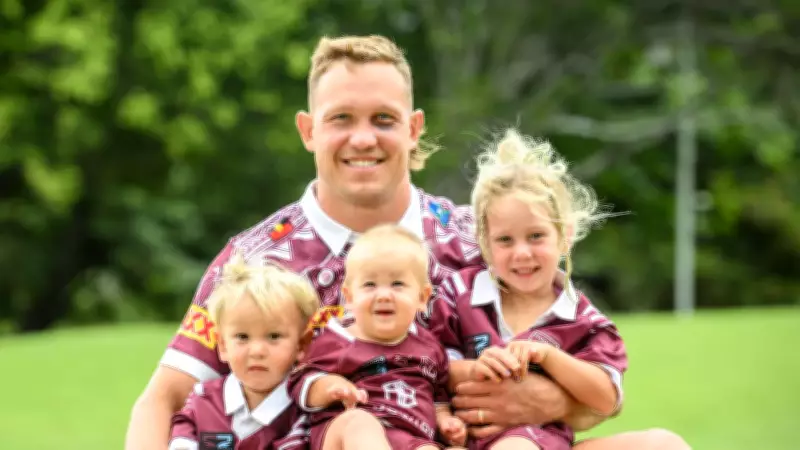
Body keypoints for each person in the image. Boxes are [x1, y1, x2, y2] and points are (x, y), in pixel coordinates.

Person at [125, 34, 691, 450]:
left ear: (414, 128)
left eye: (384, 119)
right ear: (308, 130)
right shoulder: (257, 257)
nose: (363, 138)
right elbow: (164, 399)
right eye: (341, 117)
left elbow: (588, 386)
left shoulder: (485, 238)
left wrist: (550, 401)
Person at [429, 129, 627, 450]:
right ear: (485, 244)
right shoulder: (458, 293)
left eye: (536, 236)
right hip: (459, 436)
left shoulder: (583, 319)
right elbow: (428, 364)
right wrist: (476, 370)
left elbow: (607, 398)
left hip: (535, 439)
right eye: (505, 240)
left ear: (565, 236)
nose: (522, 253)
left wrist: (549, 357)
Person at [288, 224, 467, 450]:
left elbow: (438, 398)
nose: (383, 295)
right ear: (349, 297)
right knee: (361, 425)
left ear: (422, 297)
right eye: (370, 285)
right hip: (347, 431)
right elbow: (300, 382)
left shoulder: (430, 347)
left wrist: (446, 421)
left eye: (398, 284)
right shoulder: (334, 339)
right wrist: (329, 387)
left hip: (412, 439)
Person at [168, 254, 318, 450]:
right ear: (222, 345)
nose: (256, 351)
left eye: (273, 336)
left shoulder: (306, 411)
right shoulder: (203, 400)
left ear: (301, 345)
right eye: (242, 337)